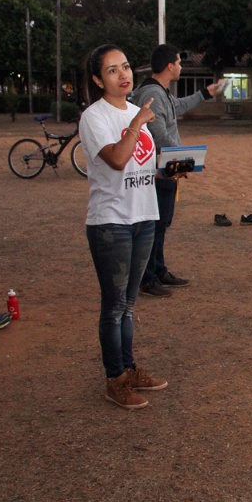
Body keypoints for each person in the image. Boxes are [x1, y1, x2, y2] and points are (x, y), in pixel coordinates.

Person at [78, 44, 168, 410]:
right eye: (112, 70)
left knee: (129, 305)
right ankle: (114, 380)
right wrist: (134, 125)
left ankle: (128, 370)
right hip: (111, 224)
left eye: (127, 66)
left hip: (144, 217)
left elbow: (140, 166)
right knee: (114, 307)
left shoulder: (137, 112)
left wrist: (171, 169)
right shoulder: (94, 117)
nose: (124, 74)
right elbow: (117, 159)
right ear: (99, 79)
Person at [133, 44, 222, 298]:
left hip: (167, 167)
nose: (181, 67)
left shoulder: (160, 92)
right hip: (160, 168)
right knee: (155, 224)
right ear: (170, 66)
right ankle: (148, 278)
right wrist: (183, 159)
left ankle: (158, 270)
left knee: (162, 224)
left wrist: (205, 93)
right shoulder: (153, 93)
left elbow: (179, 106)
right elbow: (158, 134)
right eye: (179, 63)